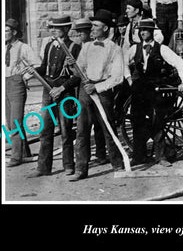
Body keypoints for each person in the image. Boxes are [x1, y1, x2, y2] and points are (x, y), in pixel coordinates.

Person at [69, 9, 125, 181]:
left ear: (106, 28)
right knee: (82, 131)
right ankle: (81, 170)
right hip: (85, 93)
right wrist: (72, 66)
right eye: (92, 26)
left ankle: (118, 165)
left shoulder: (115, 49)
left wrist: (98, 87)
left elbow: (118, 77)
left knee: (109, 130)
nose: (92, 29)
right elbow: (79, 71)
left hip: (103, 93)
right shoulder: (86, 47)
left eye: (96, 26)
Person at [124, 19, 183, 167]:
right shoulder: (135, 49)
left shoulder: (162, 49)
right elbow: (123, 62)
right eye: (141, 31)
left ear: (152, 32)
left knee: (158, 122)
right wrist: (128, 78)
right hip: (139, 90)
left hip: (156, 89)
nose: (142, 33)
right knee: (137, 121)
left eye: (145, 30)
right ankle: (139, 156)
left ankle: (161, 157)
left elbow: (179, 62)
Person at [27, 16, 81, 177]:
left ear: (66, 29)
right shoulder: (49, 46)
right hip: (48, 92)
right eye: (52, 28)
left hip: (65, 93)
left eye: (56, 28)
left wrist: (62, 88)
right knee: (45, 130)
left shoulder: (75, 47)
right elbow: (44, 67)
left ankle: (68, 166)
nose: (53, 31)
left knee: (66, 130)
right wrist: (34, 71)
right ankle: (43, 168)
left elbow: (78, 76)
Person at [71, 18, 108, 165]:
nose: (80, 35)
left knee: (99, 123)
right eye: (78, 32)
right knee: (83, 126)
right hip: (82, 88)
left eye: (82, 32)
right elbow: (77, 72)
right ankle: (83, 162)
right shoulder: (80, 47)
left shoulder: (95, 46)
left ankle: (101, 154)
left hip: (96, 86)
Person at [5, 18, 40, 167]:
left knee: (15, 121)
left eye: (6, 31)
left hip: (17, 84)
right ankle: (24, 152)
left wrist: (25, 76)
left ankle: (16, 156)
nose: (4, 34)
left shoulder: (23, 47)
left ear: (14, 32)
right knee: (9, 119)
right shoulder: (5, 47)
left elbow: (37, 63)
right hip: (5, 83)